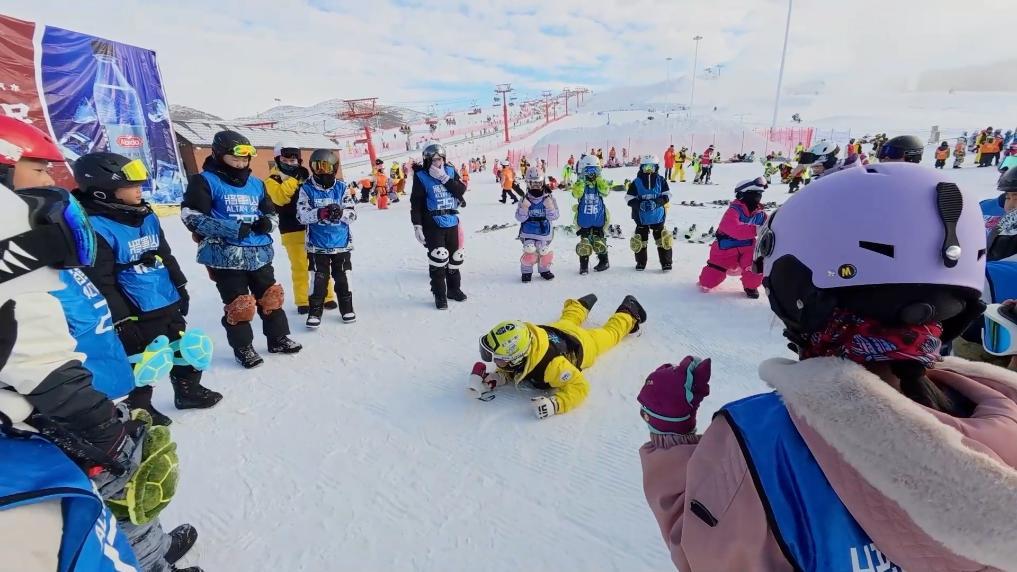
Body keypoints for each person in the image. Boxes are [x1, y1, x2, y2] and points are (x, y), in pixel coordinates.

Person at [638, 163, 1010, 572]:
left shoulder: (761, 439)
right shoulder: (1001, 415)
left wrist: (669, 438)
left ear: (796, 294)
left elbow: (703, 555)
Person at [73, 152, 223, 422]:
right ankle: (140, 409)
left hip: (163, 296)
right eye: (131, 186)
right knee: (144, 361)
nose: (139, 190)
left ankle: (188, 391)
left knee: (183, 347)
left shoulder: (146, 215)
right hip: (134, 308)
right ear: (102, 191)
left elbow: (165, 254)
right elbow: (101, 281)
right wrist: (121, 319)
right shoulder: (95, 227)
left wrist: (180, 286)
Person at [181, 130, 302, 369]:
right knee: (240, 305)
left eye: (245, 158)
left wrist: (267, 223)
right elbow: (191, 216)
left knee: (271, 297)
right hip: (225, 256)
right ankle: (243, 347)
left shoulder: (256, 184)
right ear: (219, 155)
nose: (241, 163)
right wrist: (232, 228)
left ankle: (278, 338)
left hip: (259, 253)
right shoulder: (204, 181)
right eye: (235, 158)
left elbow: (271, 213)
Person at [472, 294, 646, 418]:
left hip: (583, 343)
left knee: (610, 334)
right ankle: (579, 306)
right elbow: (516, 366)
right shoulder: (527, 339)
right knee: (568, 320)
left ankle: (629, 311)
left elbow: (580, 386)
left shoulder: (553, 367)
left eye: (499, 359)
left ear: (517, 357)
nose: (495, 362)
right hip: (555, 330)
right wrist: (499, 376)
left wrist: (556, 403)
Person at [265, 142, 330, 315]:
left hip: (314, 227)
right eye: (286, 160)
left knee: (321, 264)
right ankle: (303, 300)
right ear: (278, 159)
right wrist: (293, 179)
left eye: (293, 160)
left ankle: (327, 295)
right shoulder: (272, 180)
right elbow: (280, 198)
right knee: (300, 267)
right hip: (292, 229)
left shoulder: (305, 175)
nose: (290, 163)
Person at [296, 149, 356, 328]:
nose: (321, 171)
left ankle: (347, 308)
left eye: (326, 167)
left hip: (341, 243)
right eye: (317, 167)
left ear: (334, 168)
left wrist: (340, 213)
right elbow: (301, 216)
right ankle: (315, 311)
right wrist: (319, 213)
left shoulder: (342, 187)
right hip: (317, 245)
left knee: (343, 277)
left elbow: (352, 214)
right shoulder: (306, 188)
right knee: (319, 279)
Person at [410, 143, 468, 310]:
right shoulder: (421, 176)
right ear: (427, 160)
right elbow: (416, 203)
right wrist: (417, 225)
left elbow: (460, 190)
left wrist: (445, 178)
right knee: (438, 258)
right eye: (434, 160)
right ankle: (439, 294)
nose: (438, 163)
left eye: (440, 159)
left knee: (455, 258)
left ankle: (454, 289)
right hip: (433, 222)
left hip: (451, 220)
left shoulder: (449, 171)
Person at [697, 177, 768, 298]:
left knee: (756, 267)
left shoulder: (760, 214)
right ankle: (708, 279)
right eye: (753, 193)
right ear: (741, 195)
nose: (757, 197)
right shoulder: (733, 211)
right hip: (725, 250)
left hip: (748, 249)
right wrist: (756, 229)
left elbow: (770, 226)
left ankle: (750, 286)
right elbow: (735, 230)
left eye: (759, 193)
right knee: (708, 281)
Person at [626, 154, 673, 272]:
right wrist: (639, 204)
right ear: (641, 167)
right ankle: (641, 262)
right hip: (641, 217)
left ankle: (666, 263)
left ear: (656, 167)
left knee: (663, 239)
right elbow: (629, 198)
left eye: (651, 167)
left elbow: (667, 195)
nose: (648, 170)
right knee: (639, 241)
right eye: (645, 167)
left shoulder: (661, 180)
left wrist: (657, 203)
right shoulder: (636, 182)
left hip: (658, 216)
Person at [515, 166, 559, 282]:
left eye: (538, 183)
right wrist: (524, 207)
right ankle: (526, 272)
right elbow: (520, 218)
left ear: (542, 182)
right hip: (528, 231)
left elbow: (554, 216)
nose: (535, 186)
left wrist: (549, 206)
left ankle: (544, 270)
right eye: (532, 183)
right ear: (528, 183)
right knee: (529, 250)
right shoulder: (525, 199)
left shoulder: (549, 198)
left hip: (543, 231)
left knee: (543, 250)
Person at [571, 155, 611, 274]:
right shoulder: (580, 183)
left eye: (595, 170)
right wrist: (581, 181)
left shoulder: (600, 183)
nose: (592, 173)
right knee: (584, 242)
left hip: (598, 217)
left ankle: (604, 261)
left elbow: (605, 191)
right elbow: (576, 194)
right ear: (583, 170)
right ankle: (583, 266)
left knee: (599, 241)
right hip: (585, 218)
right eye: (588, 170)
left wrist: (599, 180)